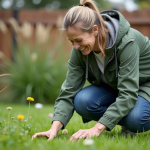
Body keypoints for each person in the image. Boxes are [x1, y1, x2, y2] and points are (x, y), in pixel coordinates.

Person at [32, 0, 150, 141]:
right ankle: (125, 121)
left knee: (136, 119)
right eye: (71, 42)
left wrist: (97, 128)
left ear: (95, 30)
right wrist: (53, 129)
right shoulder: (79, 49)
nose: (75, 46)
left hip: (144, 86)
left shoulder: (127, 42)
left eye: (78, 40)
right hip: (116, 87)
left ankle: (131, 122)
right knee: (83, 101)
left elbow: (128, 93)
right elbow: (69, 91)